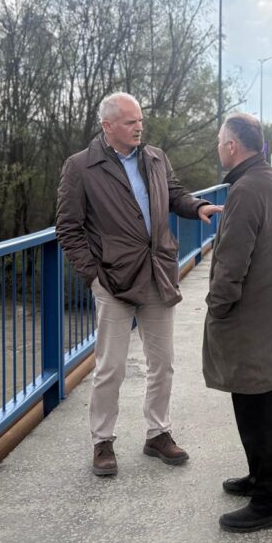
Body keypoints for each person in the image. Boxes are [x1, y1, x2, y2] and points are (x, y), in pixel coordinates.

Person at [56, 92, 222, 476]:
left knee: (162, 363)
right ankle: (102, 441)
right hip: (113, 279)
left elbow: (174, 194)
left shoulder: (155, 157)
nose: (138, 127)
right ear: (107, 126)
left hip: (157, 271)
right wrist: (93, 276)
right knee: (110, 367)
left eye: (140, 121)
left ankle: (158, 434)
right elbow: (68, 227)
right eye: (130, 122)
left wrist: (198, 206)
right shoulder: (81, 166)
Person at [203, 112, 272, 532]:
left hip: (254, 320)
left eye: (219, 141)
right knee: (257, 402)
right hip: (271, 316)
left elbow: (232, 262)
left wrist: (217, 306)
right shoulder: (269, 182)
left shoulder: (246, 190)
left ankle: (271, 501)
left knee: (261, 409)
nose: (218, 147)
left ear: (232, 145)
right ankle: (259, 476)